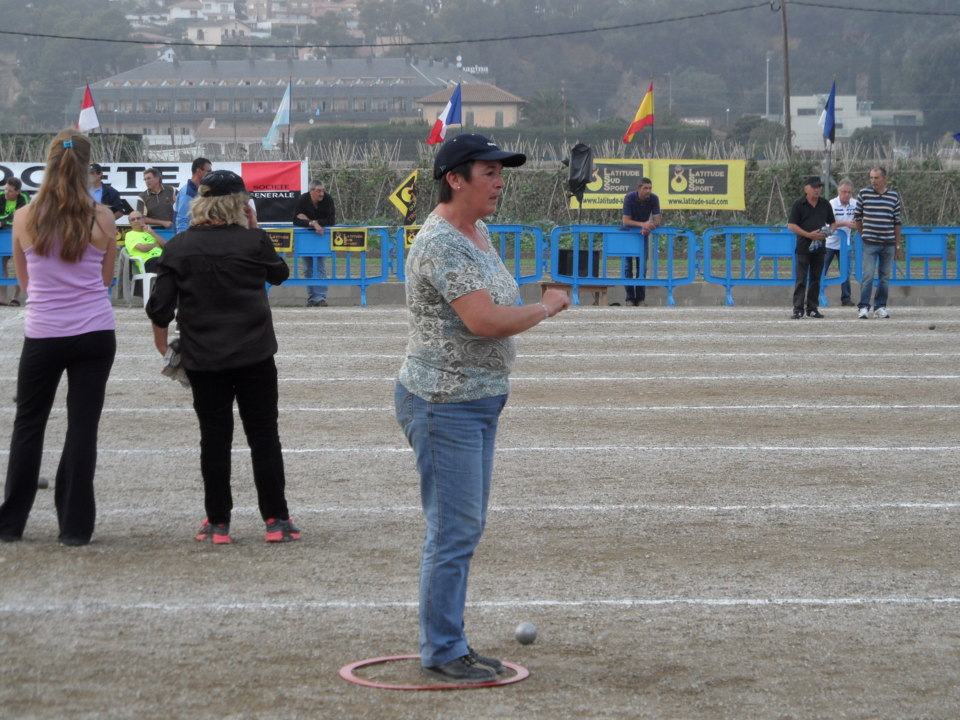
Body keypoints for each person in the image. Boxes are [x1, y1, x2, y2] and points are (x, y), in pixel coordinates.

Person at [394, 133, 570, 684]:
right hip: (444, 402)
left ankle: (449, 642)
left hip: (477, 399)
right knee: (454, 531)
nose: (499, 182)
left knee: (461, 527)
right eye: (489, 172)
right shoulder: (442, 242)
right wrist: (544, 307)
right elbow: (484, 320)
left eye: (501, 172)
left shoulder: (478, 232)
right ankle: (443, 649)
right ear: (456, 178)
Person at [146, 169, 299, 545]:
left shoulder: (179, 245)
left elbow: (159, 307)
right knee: (264, 436)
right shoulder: (252, 241)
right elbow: (279, 274)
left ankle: (218, 522)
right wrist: (254, 229)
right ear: (239, 204)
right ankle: (276, 520)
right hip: (255, 353)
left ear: (201, 201)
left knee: (214, 438)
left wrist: (164, 348)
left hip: (204, 357)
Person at [0, 130, 117, 546]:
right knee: (82, 428)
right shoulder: (102, 217)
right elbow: (105, 280)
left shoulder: (25, 216)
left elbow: (26, 282)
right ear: (88, 167)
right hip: (94, 331)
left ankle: (11, 523)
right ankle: (75, 527)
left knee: (28, 425)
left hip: (44, 331)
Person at [855, 166, 902, 319]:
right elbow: (858, 218)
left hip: (888, 243)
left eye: (876, 178)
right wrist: (864, 235)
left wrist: (897, 245)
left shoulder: (894, 196)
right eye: (871, 178)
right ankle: (863, 307)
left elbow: (897, 222)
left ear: (884, 178)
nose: (873, 181)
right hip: (870, 242)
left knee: (884, 277)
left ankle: (880, 306)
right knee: (868, 275)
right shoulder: (864, 194)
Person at [786, 176, 835, 319]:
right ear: (806, 188)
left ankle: (812, 308)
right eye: (814, 187)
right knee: (801, 279)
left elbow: (832, 223)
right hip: (803, 247)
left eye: (819, 187)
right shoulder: (798, 204)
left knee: (816, 278)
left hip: (820, 247)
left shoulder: (825, 204)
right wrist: (808, 235)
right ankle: (798, 308)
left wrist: (828, 232)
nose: (817, 189)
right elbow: (791, 225)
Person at [292, 179, 336, 307]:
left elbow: (331, 220)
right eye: (318, 191)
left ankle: (321, 297)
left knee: (320, 266)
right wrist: (313, 224)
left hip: (321, 236)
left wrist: (310, 221)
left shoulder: (328, 199)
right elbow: (295, 220)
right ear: (311, 191)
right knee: (307, 268)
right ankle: (312, 297)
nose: (321, 193)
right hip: (306, 237)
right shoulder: (302, 199)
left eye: (323, 190)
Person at [620, 177, 660, 306]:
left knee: (642, 267)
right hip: (627, 235)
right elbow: (625, 221)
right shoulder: (629, 197)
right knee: (627, 267)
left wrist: (648, 227)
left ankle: (641, 299)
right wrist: (642, 224)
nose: (648, 191)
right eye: (645, 188)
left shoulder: (654, 198)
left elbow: (657, 221)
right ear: (638, 189)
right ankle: (630, 299)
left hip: (642, 235)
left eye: (650, 188)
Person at [823, 179, 858, 307]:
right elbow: (828, 224)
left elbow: (861, 219)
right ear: (839, 192)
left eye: (849, 192)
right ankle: (815, 296)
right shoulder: (831, 203)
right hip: (829, 243)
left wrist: (857, 223)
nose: (847, 195)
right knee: (821, 270)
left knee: (846, 271)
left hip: (845, 244)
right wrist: (845, 224)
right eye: (844, 192)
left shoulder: (855, 204)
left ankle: (846, 298)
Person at [1, 177, 29, 306]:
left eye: (10, 191)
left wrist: (4, 222)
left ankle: (16, 297)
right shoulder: (1, 196)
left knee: (19, 263)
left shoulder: (24, 197)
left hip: (18, 234)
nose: (7, 193)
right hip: (3, 235)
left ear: (18, 191)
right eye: (6, 189)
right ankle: (2, 297)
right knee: (2, 264)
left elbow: (23, 216)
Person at [173, 157, 212, 233]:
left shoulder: (202, 189)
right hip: (189, 237)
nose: (211, 174)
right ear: (199, 171)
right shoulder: (187, 193)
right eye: (209, 171)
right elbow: (182, 221)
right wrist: (183, 242)